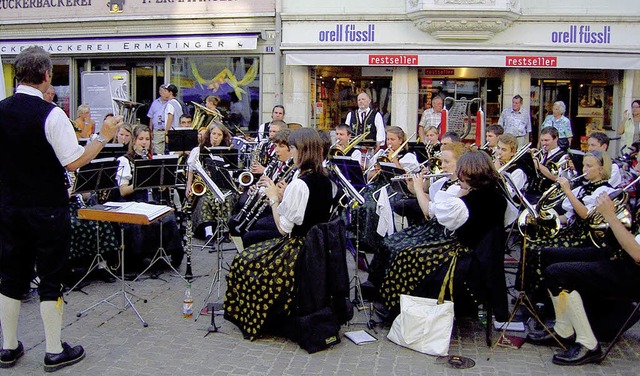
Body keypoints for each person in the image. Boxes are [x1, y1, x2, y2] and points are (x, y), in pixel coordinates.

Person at [0, 46, 119, 372]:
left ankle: (8, 347)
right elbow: (74, 160)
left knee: (10, 277)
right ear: (46, 76)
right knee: (51, 278)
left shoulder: (1, 109)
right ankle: (53, 350)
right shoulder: (50, 113)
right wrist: (103, 137)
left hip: (9, 208)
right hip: (47, 209)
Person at [224, 127, 333, 340]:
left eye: (292, 148)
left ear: (302, 150)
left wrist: (274, 197)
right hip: (315, 246)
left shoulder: (300, 184)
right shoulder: (323, 179)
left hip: (297, 248)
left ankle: (261, 317)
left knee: (244, 261)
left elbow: (283, 229)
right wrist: (284, 196)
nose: (290, 153)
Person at [379, 151, 507, 316]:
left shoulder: (464, 204)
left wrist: (418, 188)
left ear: (469, 174)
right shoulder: (495, 195)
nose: (458, 179)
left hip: (463, 255)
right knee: (407, 247)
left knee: (408, 254)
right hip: (481, 253)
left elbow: (431, 213)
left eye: (461, 175)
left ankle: (397, 307)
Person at [527, 193, 640, 365]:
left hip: (632, 274)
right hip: (617, 257)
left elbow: (637, 254)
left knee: (558, 274)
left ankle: (588, 344)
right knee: (548, 255)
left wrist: (609, 215)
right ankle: (563, 329)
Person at [365, 142, 467, 292]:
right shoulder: (445, 181)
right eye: (442, 161)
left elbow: (428, 211)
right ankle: (376, 283)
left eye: (447, 162)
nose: (442, 166)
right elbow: (431, 199)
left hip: (442, 235)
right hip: (432, 228)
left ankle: (393, 292)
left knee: (399, 249)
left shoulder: (458, 188)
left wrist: (418, 189)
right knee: (388, 242)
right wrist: (414, 189)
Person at [521, 150, 616, 305]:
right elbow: (569, 216)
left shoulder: (605, 191)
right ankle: (530, 295)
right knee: (530, 243)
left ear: (601, 169)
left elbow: (585, 214)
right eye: (584, 165)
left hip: (586, 240)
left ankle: (545, 300)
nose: (584, 169)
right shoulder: (584, 187)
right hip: (572, 232)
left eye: (589, 166)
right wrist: (543, 219)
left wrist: (567, 191)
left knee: (541, 251)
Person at [116, 125, 184, 271]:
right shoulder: (125, 161)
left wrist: (163, 184)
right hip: (134, 202)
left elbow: (164, 185)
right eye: (141, 139)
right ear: (133, 141)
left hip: (153, 201)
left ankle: (168, 255)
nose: (144, 142)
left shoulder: (155, 159)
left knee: (169, 220)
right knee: (141, 224)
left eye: (147, 139)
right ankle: (140, 259)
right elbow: (123, 191)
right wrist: (141, 182)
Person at [157, 84, 183, 154]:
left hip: (172, 133)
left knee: (172, 154)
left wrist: (166, 133)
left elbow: (170, 118)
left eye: (166, 91)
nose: (164, 93)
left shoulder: (170, 104)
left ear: (170, 93)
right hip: (178, 132)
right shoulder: (178, 103)